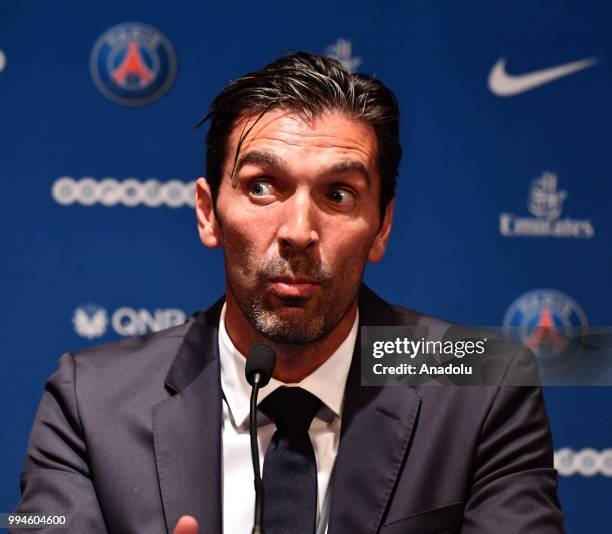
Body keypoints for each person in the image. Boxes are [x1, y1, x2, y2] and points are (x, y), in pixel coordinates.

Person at [13, 52, 564, 534]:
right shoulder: (91, 399)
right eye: (261, 186)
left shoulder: (483, 381)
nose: (299, 230)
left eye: (339, 194)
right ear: (208, 213)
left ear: (383, 227)